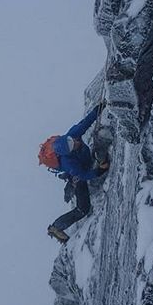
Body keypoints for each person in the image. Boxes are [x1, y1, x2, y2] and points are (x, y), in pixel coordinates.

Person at [38, 104, 110, 243]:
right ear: (68, 152)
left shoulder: (72, 135)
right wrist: (100, 170)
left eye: (72, 141)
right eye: (72, 146)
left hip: (83, 161)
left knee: (92, 155)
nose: (76, 143)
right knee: (83, 209)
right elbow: (83, 175)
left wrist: (98, 109)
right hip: (77, 173)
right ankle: (56, 227)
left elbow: (85, 123)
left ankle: (69, 185)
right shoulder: (68, 162)